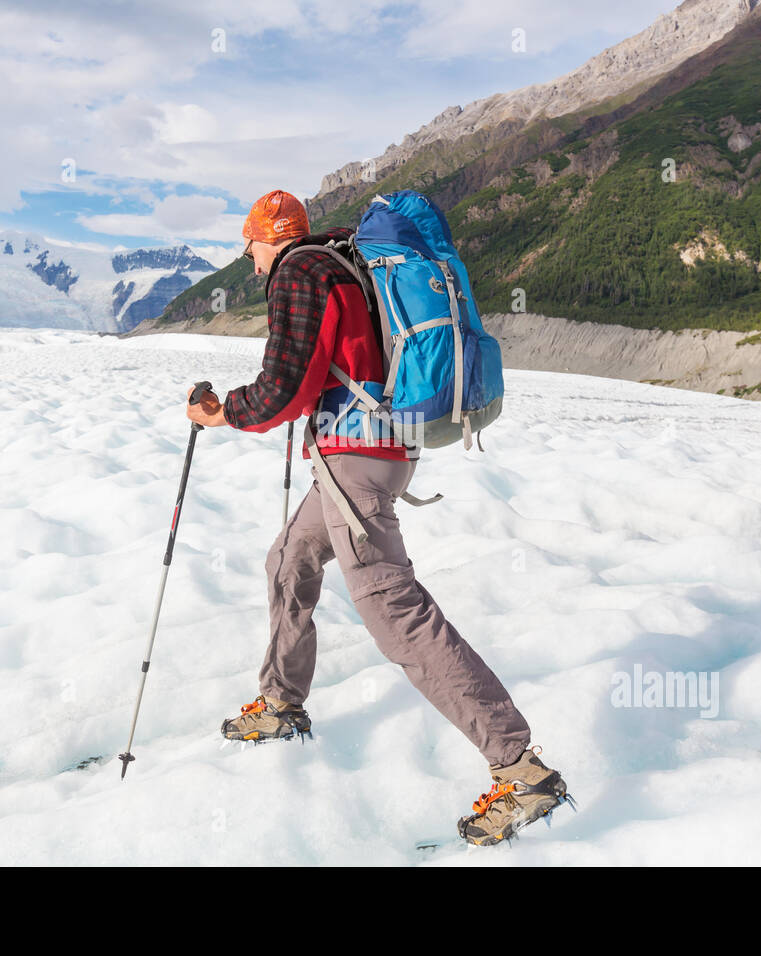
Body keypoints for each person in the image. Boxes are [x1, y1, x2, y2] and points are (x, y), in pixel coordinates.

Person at [185, 189, 571, 845]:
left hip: (357, 458)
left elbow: (287, 386)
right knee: (289, 559)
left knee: (393, 609)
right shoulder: (342, 260)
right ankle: (281, 703)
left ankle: (520, 768)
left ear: (263, 238)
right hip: (377, 449)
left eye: (248, 246)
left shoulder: (301, 273)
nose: (249, 262)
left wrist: (223, 411)